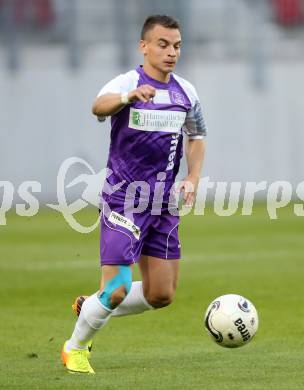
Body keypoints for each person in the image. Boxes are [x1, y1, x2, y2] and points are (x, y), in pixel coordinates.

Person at [61, 14, 207, 374]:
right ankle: (74, 349)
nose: (171, 52)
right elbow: (98, 107)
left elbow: (198, 135)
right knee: (119, 287)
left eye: (176, 46)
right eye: (162, 44)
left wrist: (193, 177)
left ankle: (94, 304)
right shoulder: (129, 81)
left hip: (164, 202)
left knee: (162, 294)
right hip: (124, 198)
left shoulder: (185, 92)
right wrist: (128, 97)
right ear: (144, 46)